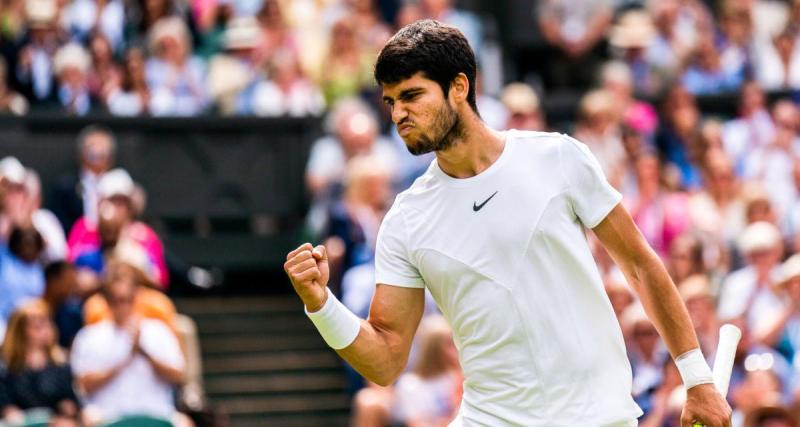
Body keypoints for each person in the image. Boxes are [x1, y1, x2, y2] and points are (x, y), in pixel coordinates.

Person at [285, 20, 731, 426]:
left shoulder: (557, 157)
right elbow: (384, 360)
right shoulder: (405, 220)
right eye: (391, 101)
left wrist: (697, 378)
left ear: (459, 87)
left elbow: (640, 266)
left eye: (412, 95)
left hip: (597, 416)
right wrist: (321, 304)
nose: (398, 113)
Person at [70, 271, 186, 426]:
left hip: (157, 414)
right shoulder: (88, 336)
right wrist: (125, 359)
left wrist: (144, 353)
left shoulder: (159, 330)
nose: (123, 306)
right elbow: (84, 385)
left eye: (128, 300)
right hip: (107, 417)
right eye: (117, 300)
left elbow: (178, 376)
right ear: (107, 302)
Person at [0, 299, 80, 425]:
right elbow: (7, 408)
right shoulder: (6, 369)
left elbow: (71, 401)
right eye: (37, 326)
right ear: (20, 332)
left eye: (47, 323)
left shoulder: (60, 364)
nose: (45, 330)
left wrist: (68, 409)